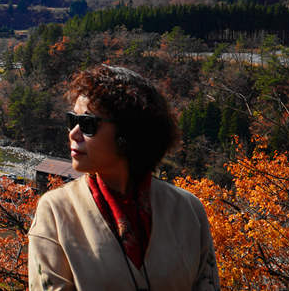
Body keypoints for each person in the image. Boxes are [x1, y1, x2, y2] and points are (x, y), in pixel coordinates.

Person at [28, 65, 219, 291]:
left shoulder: (188, 210)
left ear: (128, 133)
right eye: (72, 121)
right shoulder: (56, 212)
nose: (73, 133)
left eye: (88, 124)